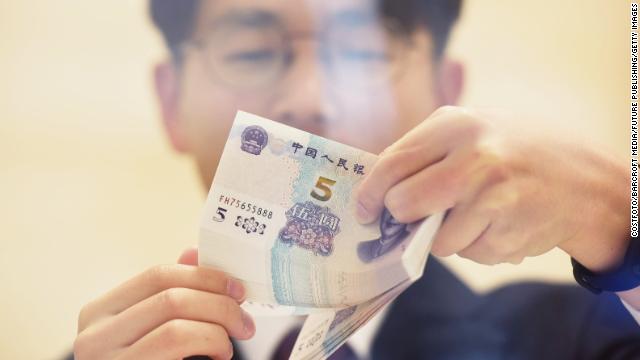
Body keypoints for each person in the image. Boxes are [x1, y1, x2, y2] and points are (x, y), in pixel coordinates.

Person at [70, 0, 640, 359]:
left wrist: (620, 211)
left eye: (364, 54)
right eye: (249, 52)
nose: (311, 100)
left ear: (446, 91)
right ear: (171, 102)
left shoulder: (581, 339)